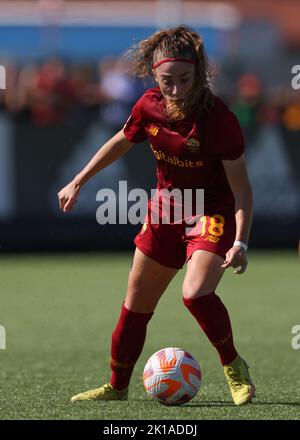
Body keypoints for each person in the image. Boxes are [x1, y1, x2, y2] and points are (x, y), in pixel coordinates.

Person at [58, 26, 255, 406]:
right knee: (135, 304)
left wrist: (240, 241)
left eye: (184, 79)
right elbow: (121, 139)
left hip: (211, 210)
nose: (177, 90)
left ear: (199, 72)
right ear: (154, 77)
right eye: (168, 82)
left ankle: (234, 367)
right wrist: (79, 180)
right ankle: (117, 386)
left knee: (195, 294)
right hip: (166, 209)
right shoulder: (148, 105)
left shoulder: (219, 121)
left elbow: (242, 189)